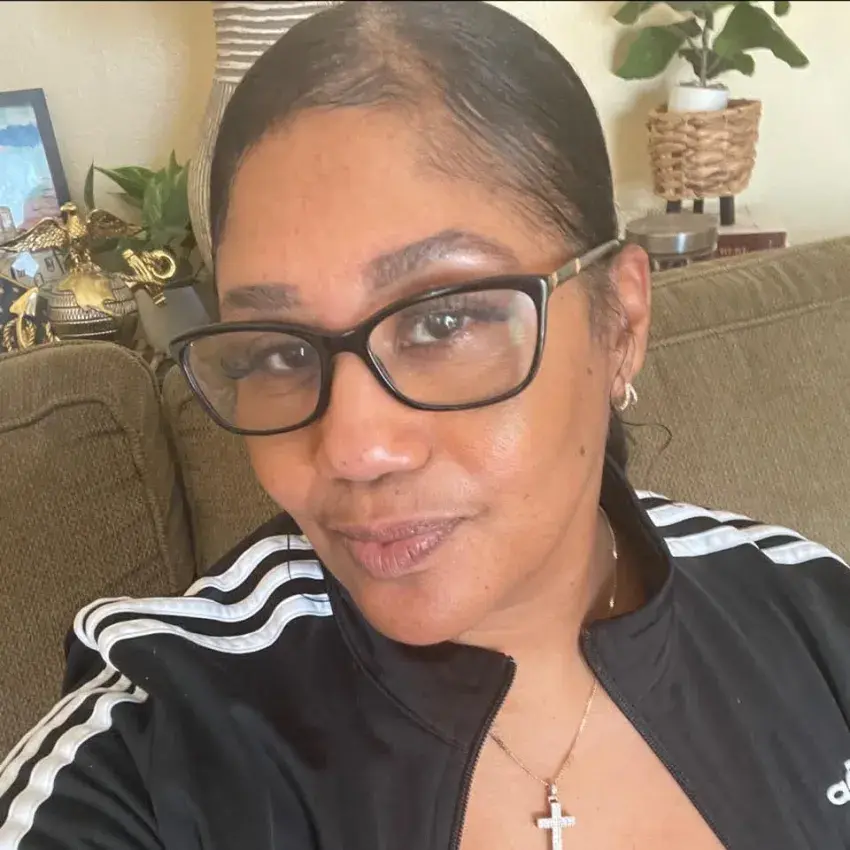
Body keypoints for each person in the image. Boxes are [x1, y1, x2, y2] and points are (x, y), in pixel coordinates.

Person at [1, 2, 848, 848]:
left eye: (444, 322)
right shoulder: (151, 756)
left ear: (621, 322)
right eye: (279, 352)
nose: (353, 450)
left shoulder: (816, 622)